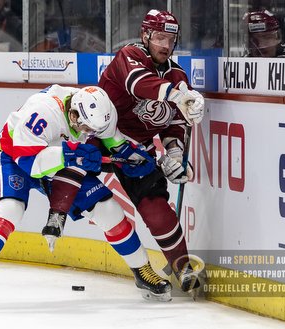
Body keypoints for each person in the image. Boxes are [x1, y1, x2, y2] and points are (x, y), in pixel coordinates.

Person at [0, 85, 172, 311]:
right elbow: (31, 164)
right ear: (72, 114)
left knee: (108, 210)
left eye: (92, 130)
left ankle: (143, 271)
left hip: (61, 160)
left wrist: (129, 155)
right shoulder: (42, 112)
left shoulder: (96, 112)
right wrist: (69, 153)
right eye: (84, 128)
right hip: (14, 157)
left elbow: (113, 141)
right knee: (10, 208)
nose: (88, 133)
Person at [97, 9, 205, 294]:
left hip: (137, 151)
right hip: (99, 138)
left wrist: (173, 152)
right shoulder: (129, 56)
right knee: (75, 190)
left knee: (156, 208)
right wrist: (177, 95)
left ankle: (181, 266)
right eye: (159, 37)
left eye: (170, 39)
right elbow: (138, 83)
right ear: (145, 36)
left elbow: (175, 122)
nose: (165, 45)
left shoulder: (177, 75)